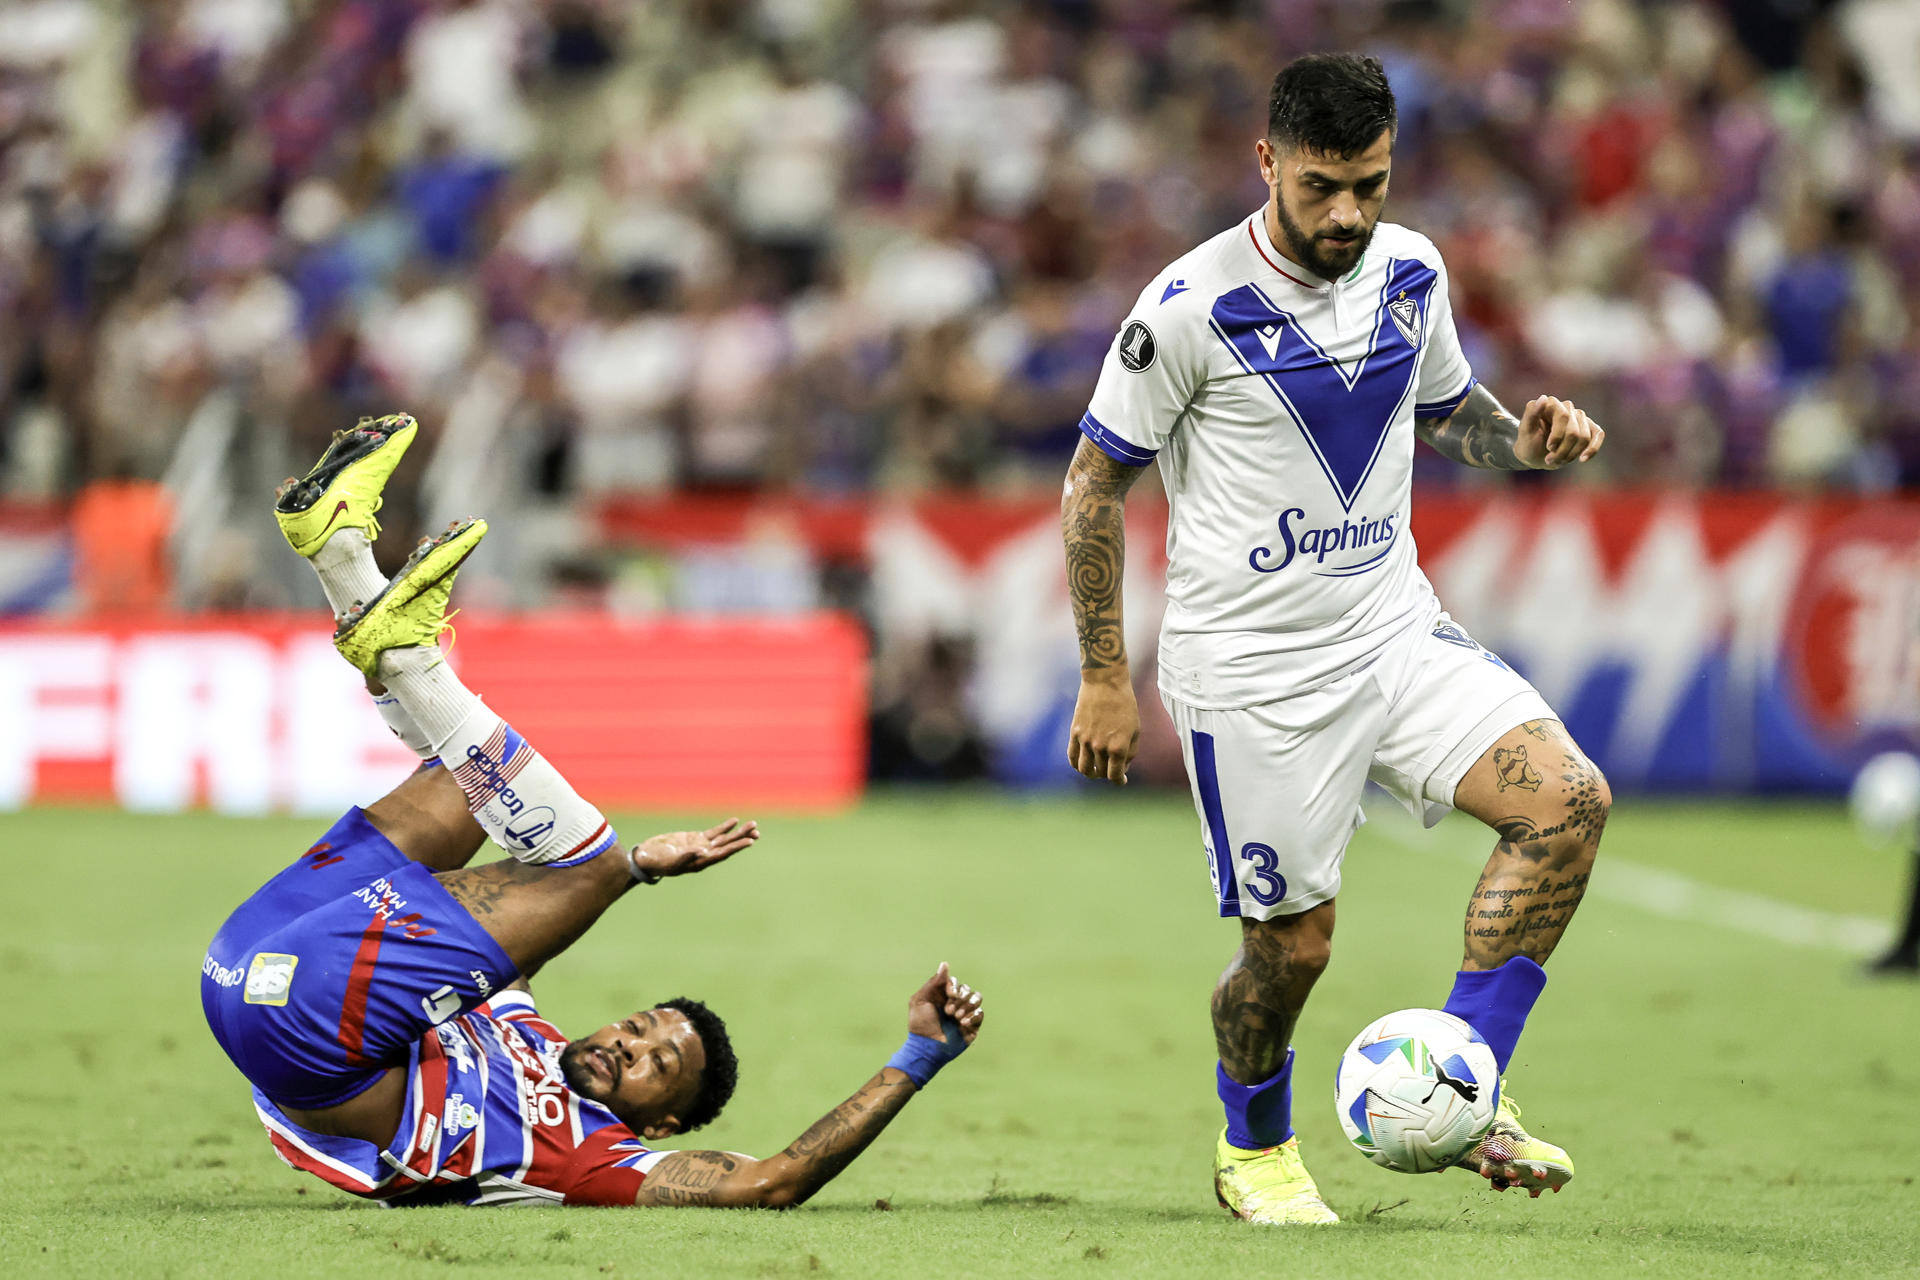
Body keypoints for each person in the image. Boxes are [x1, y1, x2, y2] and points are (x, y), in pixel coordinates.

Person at [1059, 54, 1609, 1226]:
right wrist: (1105, 674)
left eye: (1370, 182)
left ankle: (1465, 1082)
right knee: (1292, 950)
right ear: (1266, 161)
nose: (1350, 213)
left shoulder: (1412, 270)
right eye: (1323, 187)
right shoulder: (1187, 309)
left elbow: (1449, 410)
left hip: (1392, 627)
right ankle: (1253, 1146)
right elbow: (1093, 485)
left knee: (1566, 802)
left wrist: (1527, 441)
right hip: (1253, 675)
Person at [201, 414, 985, 1208]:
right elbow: (529, 926)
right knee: (468, 788)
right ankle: (339, 552)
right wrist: (637, 869)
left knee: (584, 857)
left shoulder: (599, 1159)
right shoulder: (523, 1025)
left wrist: (917, 1056)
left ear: (662, 1123)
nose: (625, 1045)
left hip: (300, 1038)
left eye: (655, 1066)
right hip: (241, 959)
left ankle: (405, 647)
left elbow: (771, 1181)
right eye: (637, 1027)